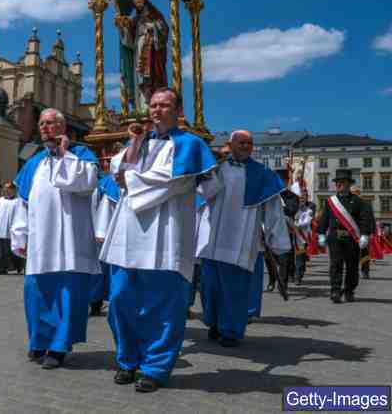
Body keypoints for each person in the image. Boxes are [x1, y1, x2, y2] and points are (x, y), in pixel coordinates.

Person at [99, 88, 216, 392]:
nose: (156, 110)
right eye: (153, 105)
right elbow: (117, 170)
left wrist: (132, 179)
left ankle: (156, 367)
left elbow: (175, 181)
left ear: (178, 111)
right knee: (121, 300)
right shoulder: (139, 143)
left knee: (164, 306)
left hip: (166, 235)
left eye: (164, 105)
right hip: (129, 234)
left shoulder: (190, 144)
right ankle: (128, 360)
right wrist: (136, 142)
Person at [11, 108, 101, 370]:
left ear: (63, 127)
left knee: (66, 294)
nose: (45, 128)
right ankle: (39, 340)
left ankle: (59, 346)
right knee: (36, 294)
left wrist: (64, 155)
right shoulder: (33, 162)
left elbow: (83, 184)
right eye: (42, 124)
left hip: (70, 241)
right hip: (41, 241)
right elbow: (23, 202)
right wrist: (20, 233)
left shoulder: (82, 155)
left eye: (51, 123)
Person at [195, 130, 291, 348]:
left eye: (249, 143)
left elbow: (274, 211)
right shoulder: (216, 168)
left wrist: (279, 242)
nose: (246, 146)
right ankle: (214, 323)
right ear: (231, 144)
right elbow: (202, 195)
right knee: (210, 288)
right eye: (242, 142)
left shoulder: (263, 174)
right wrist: (207, 170)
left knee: (234, 290)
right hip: (211, 239)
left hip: (240, 241)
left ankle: (231, 331)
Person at [317, 170, 374, 303]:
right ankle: (335, 290)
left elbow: (364, 219)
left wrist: (365, 235)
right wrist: (320, 233)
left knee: (352, 266)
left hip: (351, 238)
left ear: (349, 184)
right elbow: (324, 218)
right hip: (335, 237)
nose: (339, 185)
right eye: (337, 182)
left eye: (342, 182)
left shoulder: (359, 202)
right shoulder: (331, 202)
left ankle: (349, 291)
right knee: (335, 264)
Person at [114, 0, 169, 114]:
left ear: (144, 1)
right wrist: (124, 27)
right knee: (139, 77)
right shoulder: (136, 19)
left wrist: (152, 27)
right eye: (135, 3)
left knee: (149, 77)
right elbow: (129, 40)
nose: (137, 5)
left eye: (139, 2)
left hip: (151, 50)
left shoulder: (155, 15)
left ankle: (152, 103)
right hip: (139, 48)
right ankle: (142, 107)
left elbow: (164, 29)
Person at [89, 174, 120, 316]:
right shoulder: (108, 183)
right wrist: (100, 231)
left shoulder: (105, 182)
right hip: (106, 231)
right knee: (100, 269)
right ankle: (96, 302)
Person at [0, 183, 21, 275]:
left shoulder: (18, 201)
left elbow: (20, 215)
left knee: (9, 249)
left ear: (13, 190)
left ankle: (13, 267)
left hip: (11, 229)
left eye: (8, 189)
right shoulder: (1, 200)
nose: (6, 191)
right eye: (5, 189)